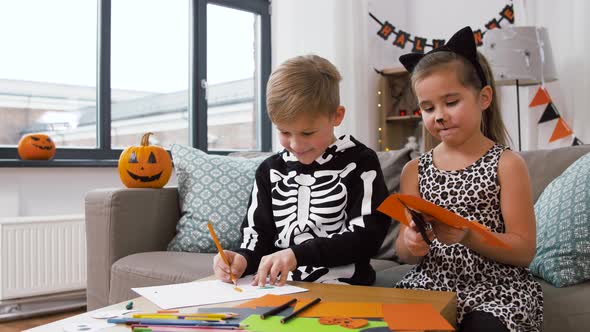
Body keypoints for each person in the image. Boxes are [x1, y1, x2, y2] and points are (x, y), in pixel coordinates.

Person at [393, 27, 543, 332]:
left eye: (451, 102)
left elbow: (524, 251)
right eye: (428, 107)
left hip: (497, 290)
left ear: (483, 97)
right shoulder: (414, 170)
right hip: (431, 286)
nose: (439, 116)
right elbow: (403, 252)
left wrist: (469, 236)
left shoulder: (507, 164)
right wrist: (412, 243)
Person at [212, 54, 390, 287]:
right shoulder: (269, 170)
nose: (295, 145)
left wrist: (297, 255)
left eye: (307, 133)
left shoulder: (361, 162)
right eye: (285, 132)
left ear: (336, 116)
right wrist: (242, 258)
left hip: (344, 287)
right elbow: (257, 237)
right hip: (276, 288)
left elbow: (367, 237)